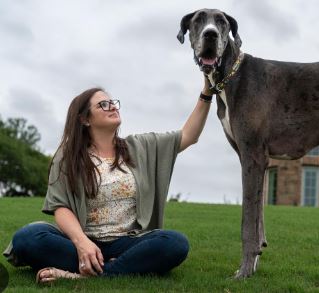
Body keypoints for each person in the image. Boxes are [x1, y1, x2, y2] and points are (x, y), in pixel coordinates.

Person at [3, 75, 214, 283]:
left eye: (113, 102)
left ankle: (83, 275)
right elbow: (61, 206)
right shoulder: (68, 155)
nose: (112, 107)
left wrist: (206, 93)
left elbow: (188, 136)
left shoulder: (140, 147)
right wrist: (82, 242)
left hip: (127, 242)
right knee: (27, 237)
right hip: (81, 242)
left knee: (175, 243)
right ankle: (115, 265)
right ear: (85, 119)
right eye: (103, 105)